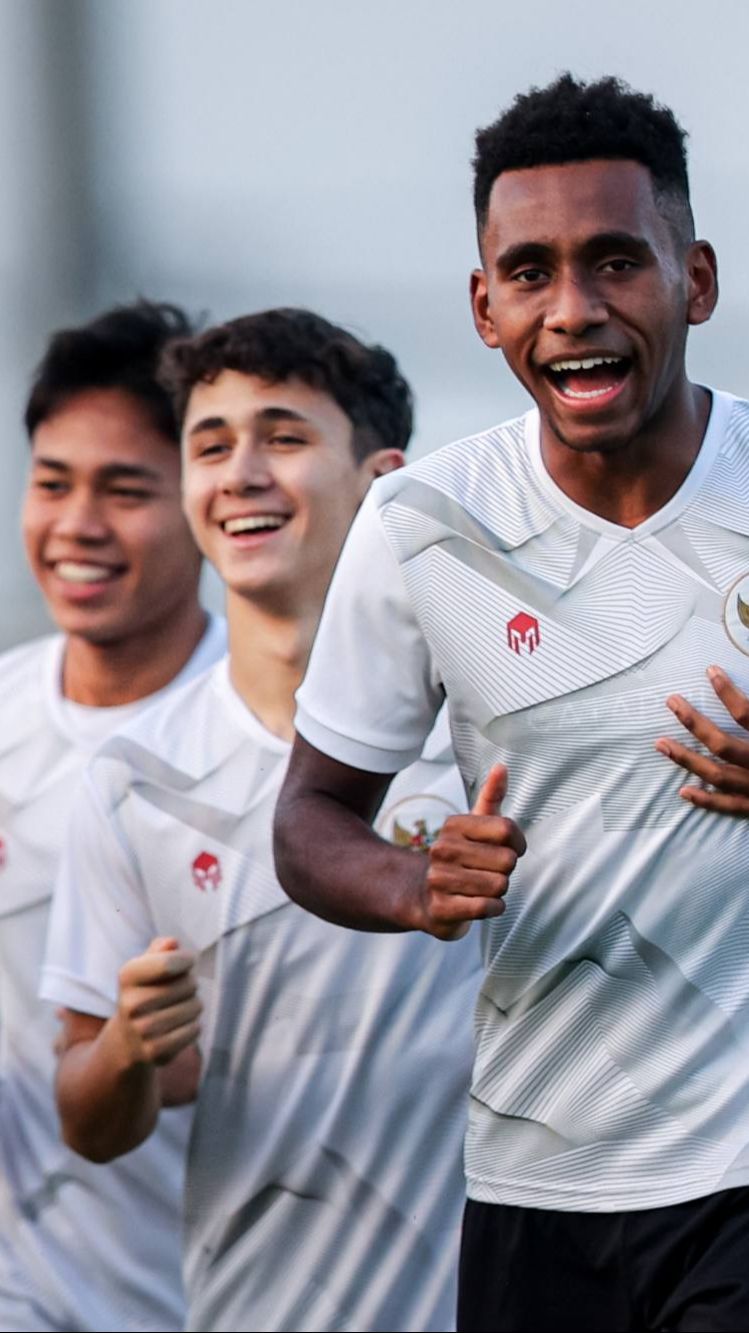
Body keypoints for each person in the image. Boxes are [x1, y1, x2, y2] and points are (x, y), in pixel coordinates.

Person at [273, 76, 749, 1332]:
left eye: (614, 263)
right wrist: (413, 886)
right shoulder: (421, 523)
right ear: (483, 308)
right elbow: (310, 819)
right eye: (528, 273)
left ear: (692, 280)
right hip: (536, 1171)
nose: (573, 309)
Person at [41, 309, 482, 1333]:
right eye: (208, 445)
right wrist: (126, 1050)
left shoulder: (487, 728)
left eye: (282, 437)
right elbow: (88, 1114)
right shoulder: (132, 778)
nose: (238, 472)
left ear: (381, 482)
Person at [0, 301, 226, 1332]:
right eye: (51, 483)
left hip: (219, 1289)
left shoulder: (289, 742)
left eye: (126, 489)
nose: (76, 524)